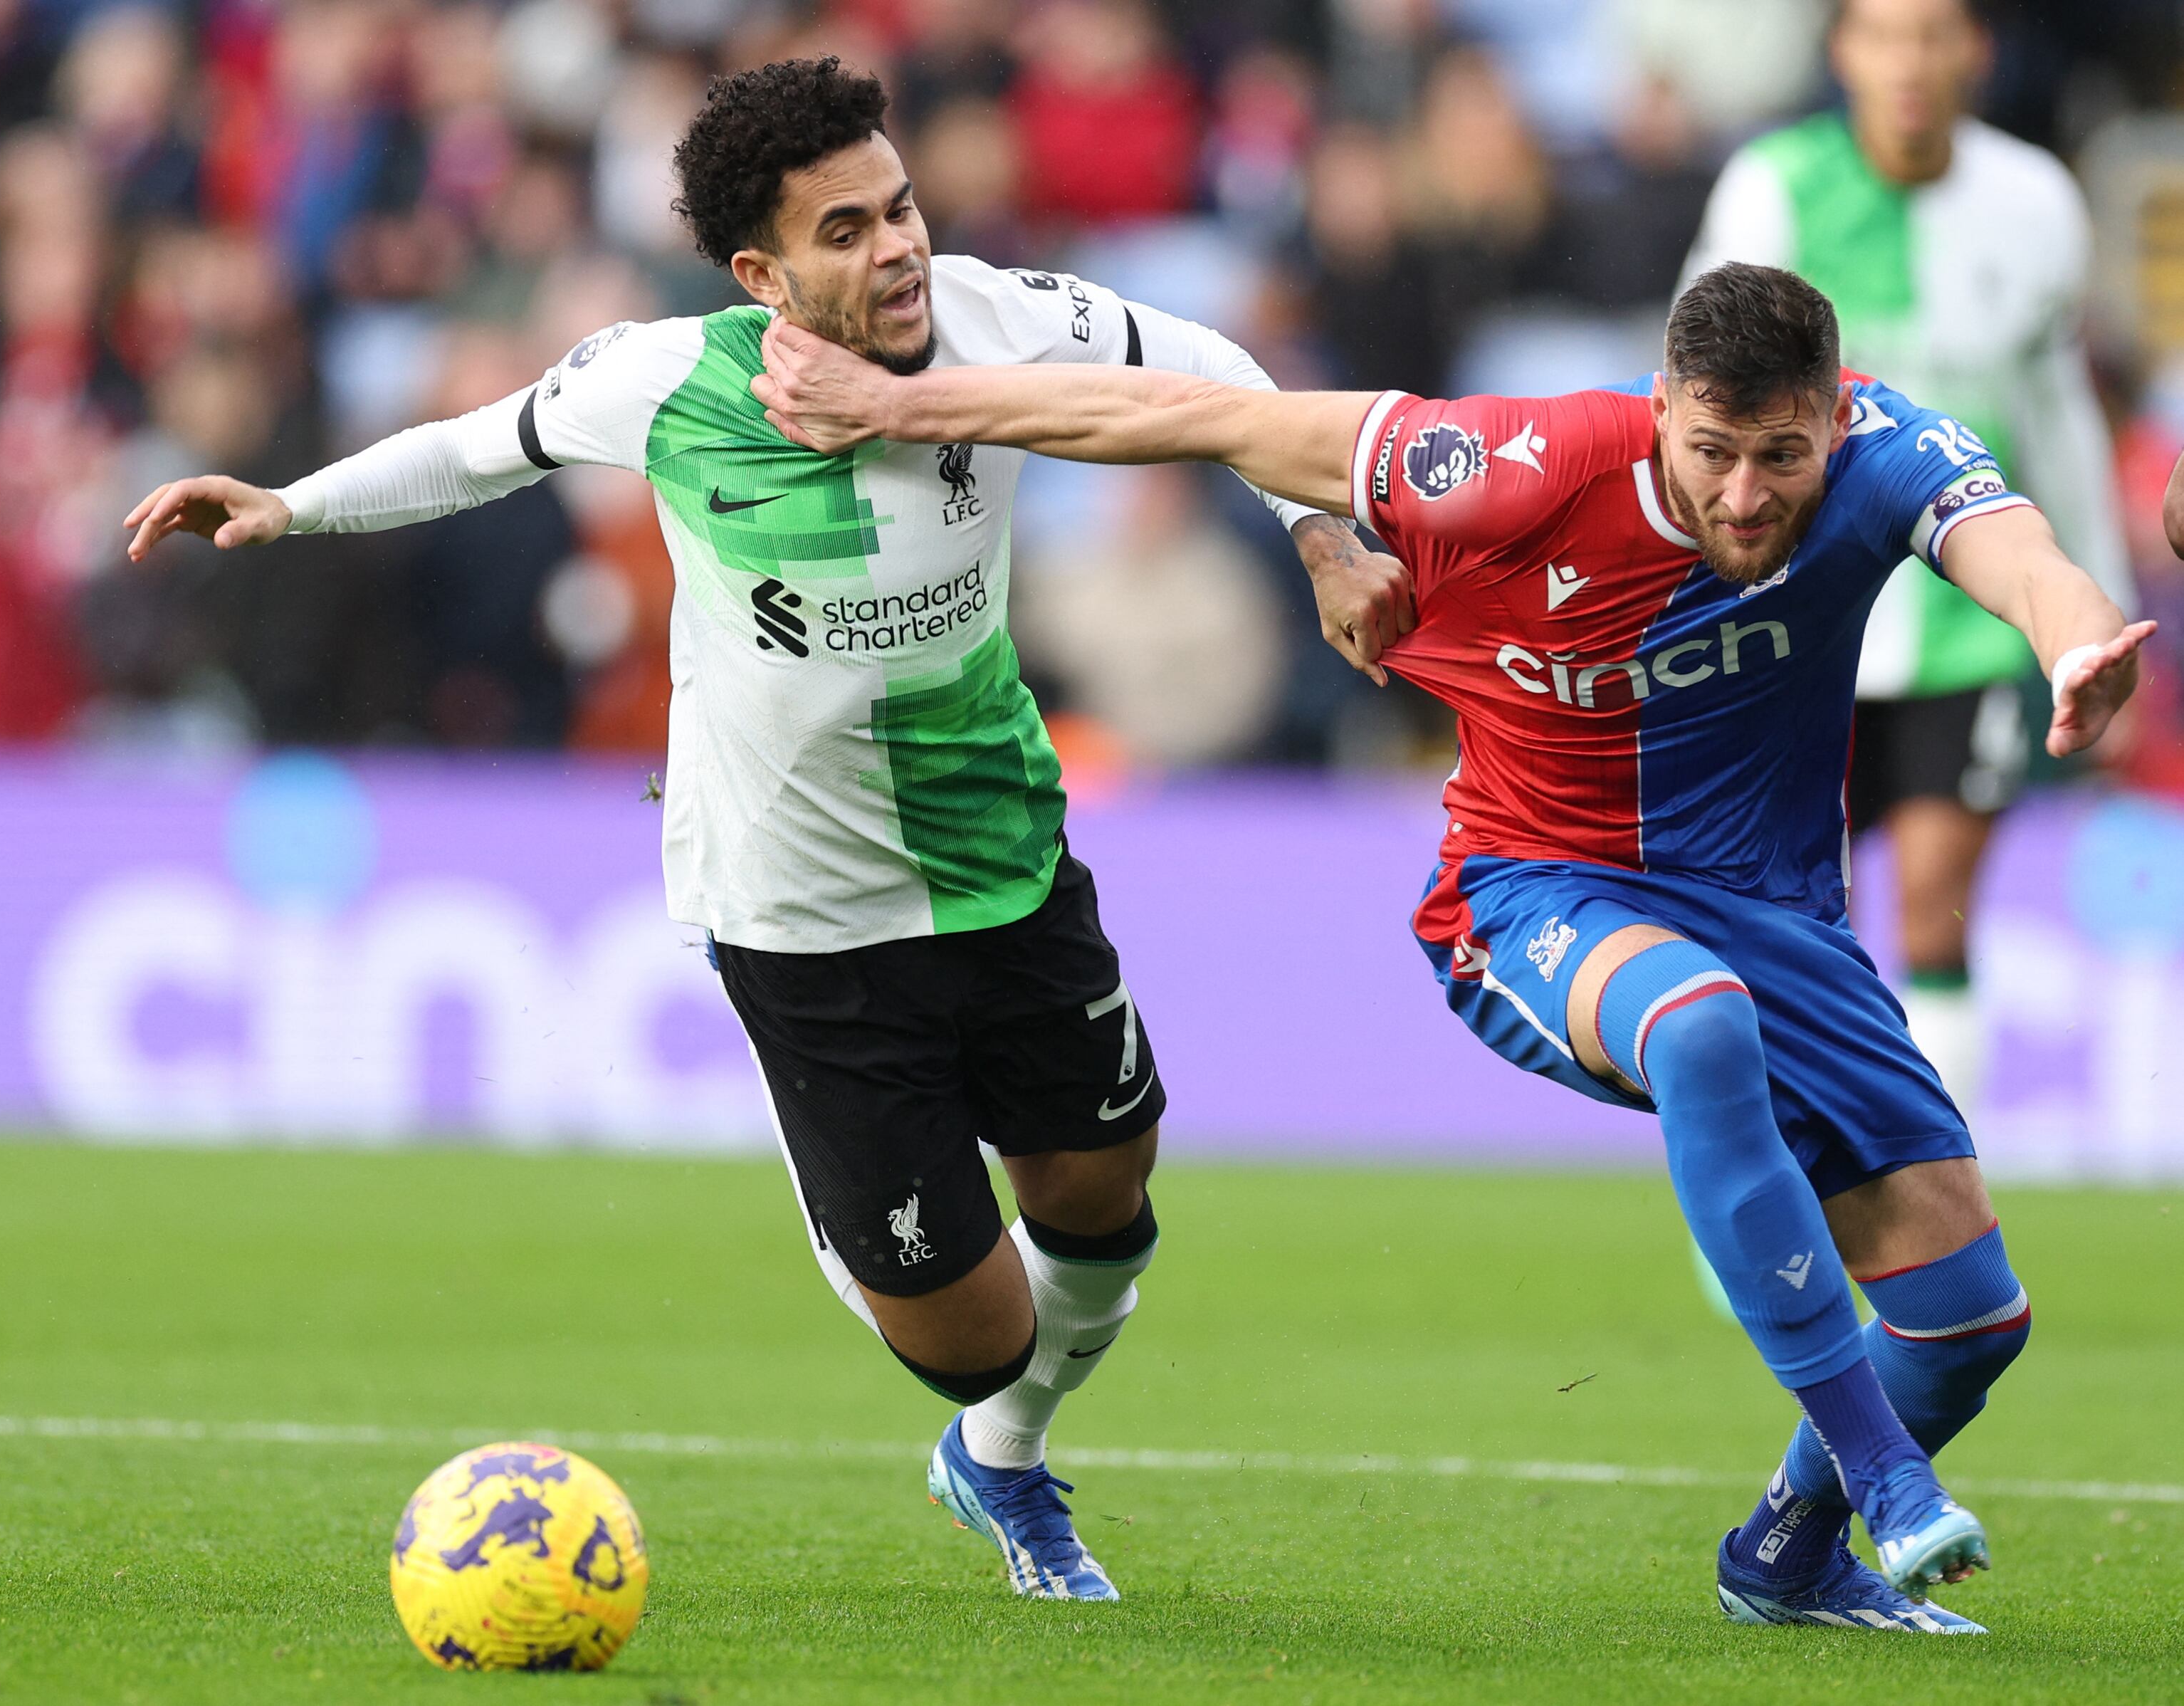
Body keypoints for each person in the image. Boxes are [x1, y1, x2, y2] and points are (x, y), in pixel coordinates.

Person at [118, 56, 1378, 1603]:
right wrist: (290, 505)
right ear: (761, 274)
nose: (900, 246)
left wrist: (1317, 534)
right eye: (846, 231)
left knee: (1106, 1205)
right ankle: (876, 1248)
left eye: (901, 206)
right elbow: (475, 443)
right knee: (968, 1331)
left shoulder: (999, 317)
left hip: (1002, 851)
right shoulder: (662, 381)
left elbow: (1217, 376)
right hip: (799, 909)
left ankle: (1000, 1466)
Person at [750, 261, 2154, 1631]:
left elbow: (2026, 561)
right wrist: (898, 404)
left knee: (1968, 1322)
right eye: (1712, 449)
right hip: (1531, 888)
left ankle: (1786, 1555)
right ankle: (1886, 1478)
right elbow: (1196, 417)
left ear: (1830, 426)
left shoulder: (1890, 447)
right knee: (1697, 1021)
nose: (1742, 493)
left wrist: (2076, 645)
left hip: (1781, 914)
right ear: (1660, 405)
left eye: (1779, 456)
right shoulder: (1508, 464)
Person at [1679, 0, 2134, 1114]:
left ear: (1976, 50)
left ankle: (1934, 1190)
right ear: (1843, 53)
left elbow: (2056, 407)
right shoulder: (1771, 189)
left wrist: (2095, 599)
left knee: (1937, 904)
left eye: (1934, 33)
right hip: (1798, 619)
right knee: (1798, 923)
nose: (1910, 62)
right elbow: (1696, 399)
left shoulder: (2036, 201)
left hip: (1962, 617)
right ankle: (1783, 1175)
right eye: (1884, 34)